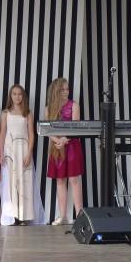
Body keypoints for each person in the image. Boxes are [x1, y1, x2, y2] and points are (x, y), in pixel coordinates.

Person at [0, 84, 41, 225]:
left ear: (23, 96)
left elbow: (31, 134)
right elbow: (2, 133)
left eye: (19, 94)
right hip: (9, 151)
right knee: (11, 182)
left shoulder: (27, 113)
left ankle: (24, 216)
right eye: (14, 94)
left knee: (24, 182)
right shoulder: (5, 113)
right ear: (10, 96)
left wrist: (29, 153)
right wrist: (1, 153)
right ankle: (13, 216)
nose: (17, 96)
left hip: (23, 151)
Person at [44, 77, 84, 225]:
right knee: (60, 180)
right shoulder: (48, 108)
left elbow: (76, 127)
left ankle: (80, 216)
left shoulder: (74, 105)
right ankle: (63, 216)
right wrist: (57, 141)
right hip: (57, 147)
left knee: (74, 180)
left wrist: (64, 139)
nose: (66, 92)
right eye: (62, 89)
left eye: (67, 89)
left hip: (72, 145)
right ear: (56, 91)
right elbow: (47, 130)